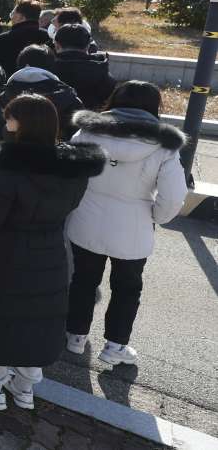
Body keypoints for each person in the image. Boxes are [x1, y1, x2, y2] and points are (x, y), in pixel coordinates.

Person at [0, 94, 105, 412]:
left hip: (5, 257)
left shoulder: (11, 166)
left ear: (21, 124)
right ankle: (24, 390)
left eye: (10, 117)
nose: (6, 122)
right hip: (50, 252)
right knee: (37, 323)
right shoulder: (74, 165)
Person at [65, 82, 188, 366]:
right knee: (127, 288)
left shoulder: (86, 132)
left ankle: (75, 336)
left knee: (83, 280)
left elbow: (68, 174)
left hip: (86, 219)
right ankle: (115, 346)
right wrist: (154, 217)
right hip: (134, 226)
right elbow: (173, 197)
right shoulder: (164, 146)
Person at [0, 45, 83, 138]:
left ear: (22, 65)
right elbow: (78, 137)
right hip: (55, 151)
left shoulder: (2, 98)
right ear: (52, 66)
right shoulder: (68, 97)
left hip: (10, 151)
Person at [0, 0, 51, 79]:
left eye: (13, 13)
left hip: (10, 86)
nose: (11, 17)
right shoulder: (47, 36)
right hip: (42, 86)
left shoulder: (4, 39)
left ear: (21, 17)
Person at [52, 24, 115, 110]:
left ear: (57, 44)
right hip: (88, 119)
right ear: (88, 45)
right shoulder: (102, 71)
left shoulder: (48, 69)